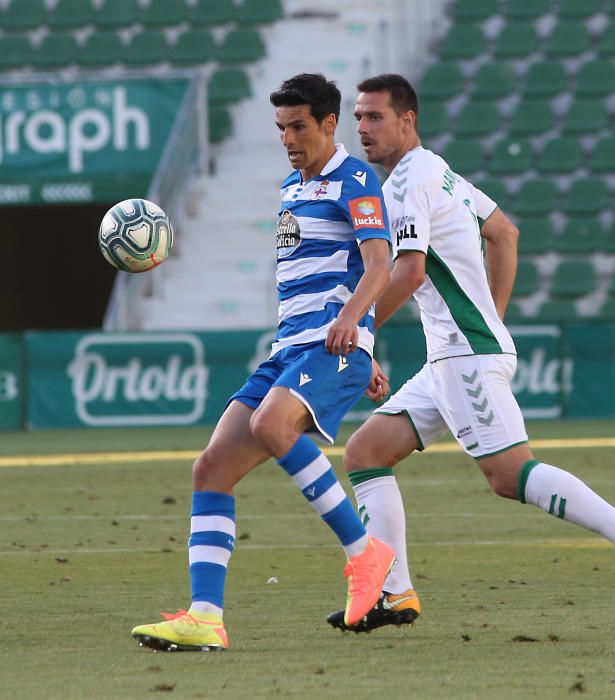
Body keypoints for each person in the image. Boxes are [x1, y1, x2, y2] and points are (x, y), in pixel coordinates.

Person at [325, 73, 615, 632]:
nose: (362, 128)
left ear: (407, 119)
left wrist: (362, 334)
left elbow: (408, 271)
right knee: (365, 453)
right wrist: (493, 322)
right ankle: (394, 593)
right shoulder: (438, 168)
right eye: (358, 117)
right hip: (454, 355)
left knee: (509, 475)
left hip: (463, 355)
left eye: (374, 117)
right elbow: (504, 233)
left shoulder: (407, 183)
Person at [131, 73, 396, 651]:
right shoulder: (291, 187)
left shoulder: (355, 178)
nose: (288, 138)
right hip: (289, 348)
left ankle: (365, 551)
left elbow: (381, 265)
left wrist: (357, 326)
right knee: (211, 469)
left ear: (329, 123)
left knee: (271, 425)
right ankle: (205, 616)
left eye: (298, 126)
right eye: (280, 128)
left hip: (331, 344)